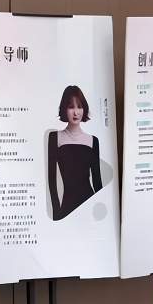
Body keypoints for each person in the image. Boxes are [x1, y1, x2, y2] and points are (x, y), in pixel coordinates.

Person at [48, 85, 103, 221]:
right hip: (67, 206)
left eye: (79, 106)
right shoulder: (54, 137)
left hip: (90, 204)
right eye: (71, 107)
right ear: (64, 109)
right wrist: (57, 214)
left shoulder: (93, 141)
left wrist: (101, 214)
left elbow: (97, 182)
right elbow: (52, 181)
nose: (76, 112)